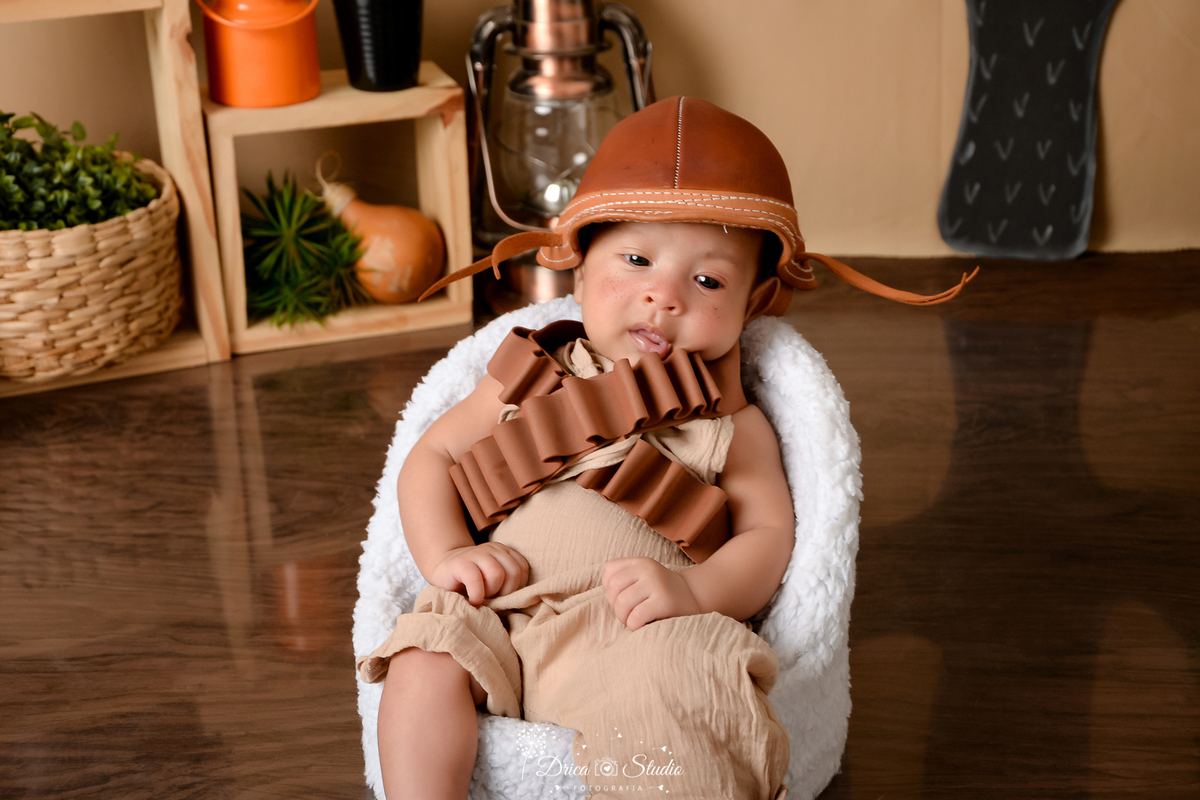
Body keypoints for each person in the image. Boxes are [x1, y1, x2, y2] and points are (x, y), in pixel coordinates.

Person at [356, 97, 976, 800]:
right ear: (579, 271)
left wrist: (691, 591)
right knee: (423, 657)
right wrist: (449, 557)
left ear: (756, 300)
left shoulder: (735, 425)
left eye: (707, 280)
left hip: (633, 633)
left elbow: (771, 537)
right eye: (636, 259)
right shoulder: (532, 373)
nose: (663, 296)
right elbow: (430, 459)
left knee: (684, 693)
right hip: (500, 610)